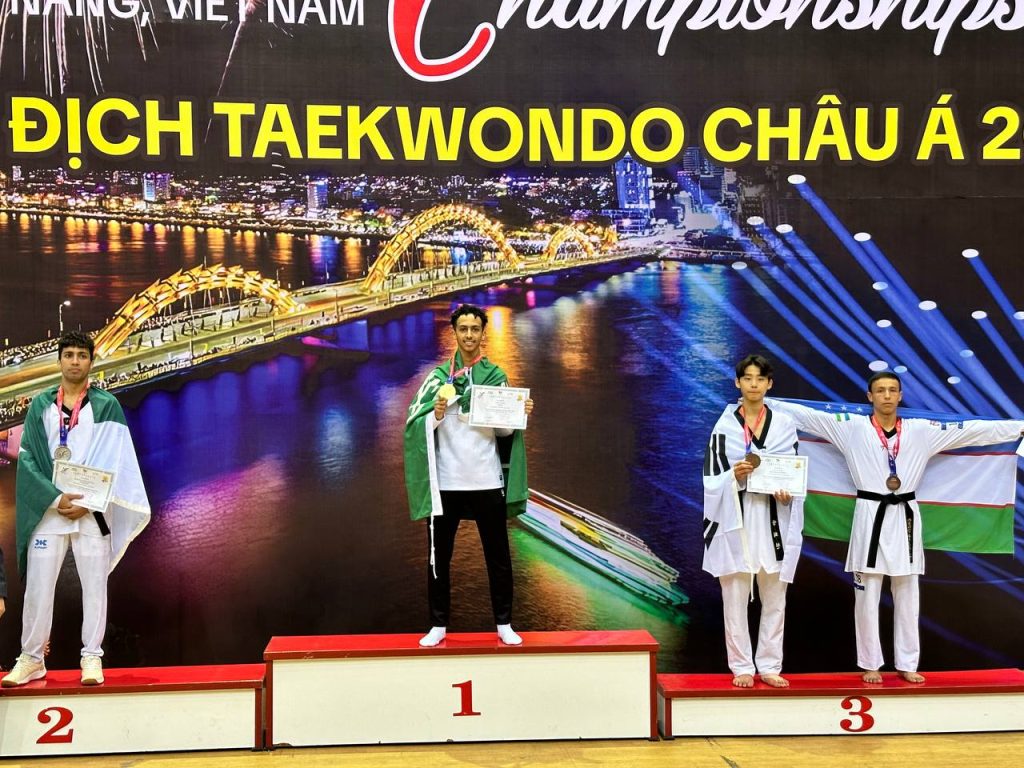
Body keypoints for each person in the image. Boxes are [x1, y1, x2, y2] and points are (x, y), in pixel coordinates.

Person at [770, 372, 1024, 683]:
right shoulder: (851, 428)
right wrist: (761, 401)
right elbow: (806, 416)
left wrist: (1018, 427)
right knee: (866, 595)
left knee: (907, 594)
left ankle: (908, 663)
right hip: (869, 515)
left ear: (900, 395)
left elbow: (973, 431)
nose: (887, 395)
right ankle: (870, 664)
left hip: (905, 516)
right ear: (870, 397)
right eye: (880, 390)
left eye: (892, 390)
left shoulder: (921, 431)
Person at [2, 331, 151, 687]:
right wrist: (56, 498)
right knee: (38, 585)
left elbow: (115, 458)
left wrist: (87, 501)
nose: (74, 361)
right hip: (50, 509)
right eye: (68, 354)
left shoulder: (106, 405)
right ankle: (32, 658)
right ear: (59, 360)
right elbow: (28, 460)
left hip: (91, 510)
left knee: (95, 584)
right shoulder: (40, 405)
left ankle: (92, 656)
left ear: (91, 362)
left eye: (81, 355)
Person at [404, 304, 533, 648]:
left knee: (499, 558)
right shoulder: (437, 380)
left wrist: (518, 414)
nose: (469, 335)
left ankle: (504, 624)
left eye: (475, 329)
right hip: (446, 483)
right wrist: (437, 413)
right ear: (455, 333)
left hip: (486, 480)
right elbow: (416, 423)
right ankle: (438, 625)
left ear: (482, 333)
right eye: (463, 329)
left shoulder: (495, 376)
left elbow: (505, 433)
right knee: (438, 558)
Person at [702, 354, 804, 688]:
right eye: (748, 378)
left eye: (760, 379)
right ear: (738, 383)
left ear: (769, 384)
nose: (754, 384)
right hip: (736, 518)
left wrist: (787, 494)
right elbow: (711, 478)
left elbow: (792, 472)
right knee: (734, 597)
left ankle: (771, 665)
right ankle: (742, 666)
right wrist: (734, 475)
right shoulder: (725, 426)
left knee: (775, 597)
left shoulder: (784, 424)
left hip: (773, 518)